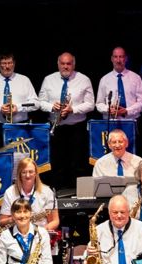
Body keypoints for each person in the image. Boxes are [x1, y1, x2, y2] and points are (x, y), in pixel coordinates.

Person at [38, 52, 95, 190]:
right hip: (56, 127)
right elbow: (39, 102)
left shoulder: (84, 79)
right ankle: (57, 191)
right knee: (57, 161)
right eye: (62, 63)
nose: (65, 67)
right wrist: (52, 106)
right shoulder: (48, 79)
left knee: (78, 162)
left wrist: (73, 109)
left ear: (73, 64)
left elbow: (91, 104)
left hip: (77, 127)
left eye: (68, 64)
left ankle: (78, 192)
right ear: (58, 64)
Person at [0, 53, 39, 148]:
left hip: (20, 127)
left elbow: (35, 103)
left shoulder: (24, 80)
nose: (7, 66)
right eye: (4, 63)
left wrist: (18, 108)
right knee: (0, 158)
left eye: (10, 63)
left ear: (14, 63)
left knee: (20, 159)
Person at [85, 195, 142, 264]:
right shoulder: (99, 230)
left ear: (128, 212)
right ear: (109, 213)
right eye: (115, 212)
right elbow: (88, 260)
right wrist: (89, 253)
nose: (119, 216)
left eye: (122, 212)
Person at [0, 199, 53, 264]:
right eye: (18, 212)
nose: (22, 216)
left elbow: (47, 261)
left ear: (31, 213)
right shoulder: (5, 235)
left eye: (25, 211)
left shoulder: (42, 233)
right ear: (12, 215)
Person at [0, 157, 59, 232]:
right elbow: (1, 222)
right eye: (24, 172)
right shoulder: (10, 192)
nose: (27, 175)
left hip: (40, 234)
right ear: (19, 174)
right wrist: (15, 218)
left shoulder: (47, 192)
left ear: (36, 173)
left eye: (31, 172)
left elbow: (55, 221)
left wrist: (41, 232)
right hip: (16, 234)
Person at [95, 47, 142, 121]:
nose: (118, 60)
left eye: (121, 57)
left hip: (131, 120)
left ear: (126, 59)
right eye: (115, 57)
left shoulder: (136, 78)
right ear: (111, 59)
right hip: (111, 121)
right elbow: (99, 103)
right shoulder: (104, 79)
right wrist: (108, 110)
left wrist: (127, 110)